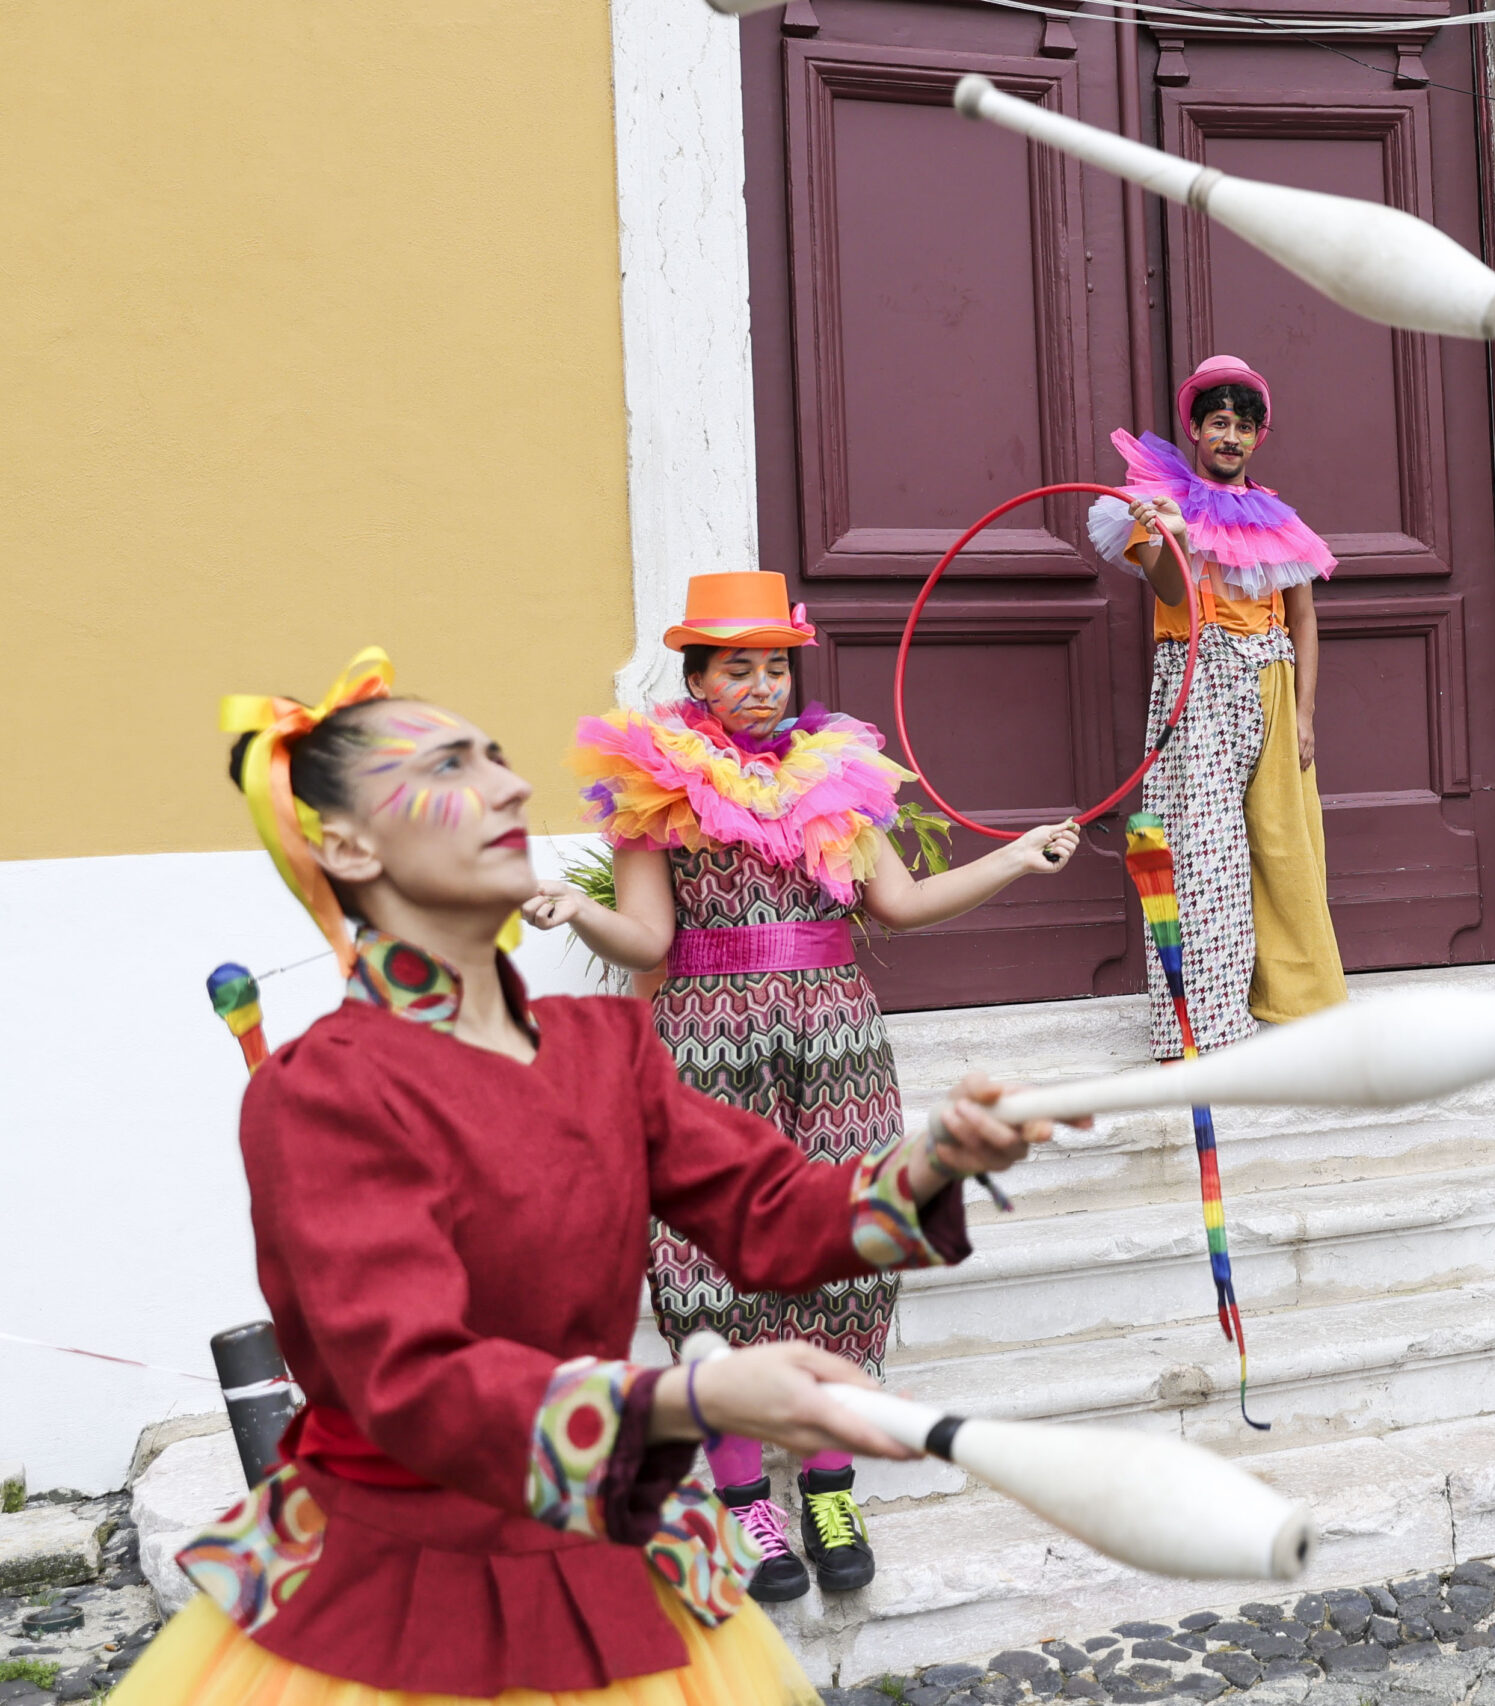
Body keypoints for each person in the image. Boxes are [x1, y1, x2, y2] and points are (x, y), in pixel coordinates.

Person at [123, 647, 1061, 1706]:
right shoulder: (321, 1092)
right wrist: (693, 1392)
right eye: (449, 767)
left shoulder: (602, 1046)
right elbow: (412, 1383)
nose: (510, 785)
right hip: (398, 1592)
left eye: (498, 758)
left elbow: (771, 1211)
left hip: (598, 1546)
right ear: (343, 844)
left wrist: (938, 1155)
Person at [521, 570, 1079, 1601]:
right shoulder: (659, 786)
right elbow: (646, 934)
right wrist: (573, 909)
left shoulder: (840, 775)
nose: (764, 683)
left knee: (848, 1236)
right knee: (703, 1252)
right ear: (696, 675)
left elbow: (900, 905)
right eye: (739, 665)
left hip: (834, 1035)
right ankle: (744, 1499)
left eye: (776, 663)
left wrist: (1018, 859)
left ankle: (827, 1478)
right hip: (704, 1036)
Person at [1086, 355, 1348, 1060]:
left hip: (1270, 678)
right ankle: (1204, 1022)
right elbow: (1172, 591)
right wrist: (1169, 530)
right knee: (1201, 850)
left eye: (1242, 425)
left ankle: (1300, 1002)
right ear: (1196, 430)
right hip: (1196, 683)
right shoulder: (1155, 501)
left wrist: (1306, 713)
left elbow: (1304, 618)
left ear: (1258, 437)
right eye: (1217, 423)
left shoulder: (1277, 518)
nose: (1229, 436)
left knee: (1285, 841)